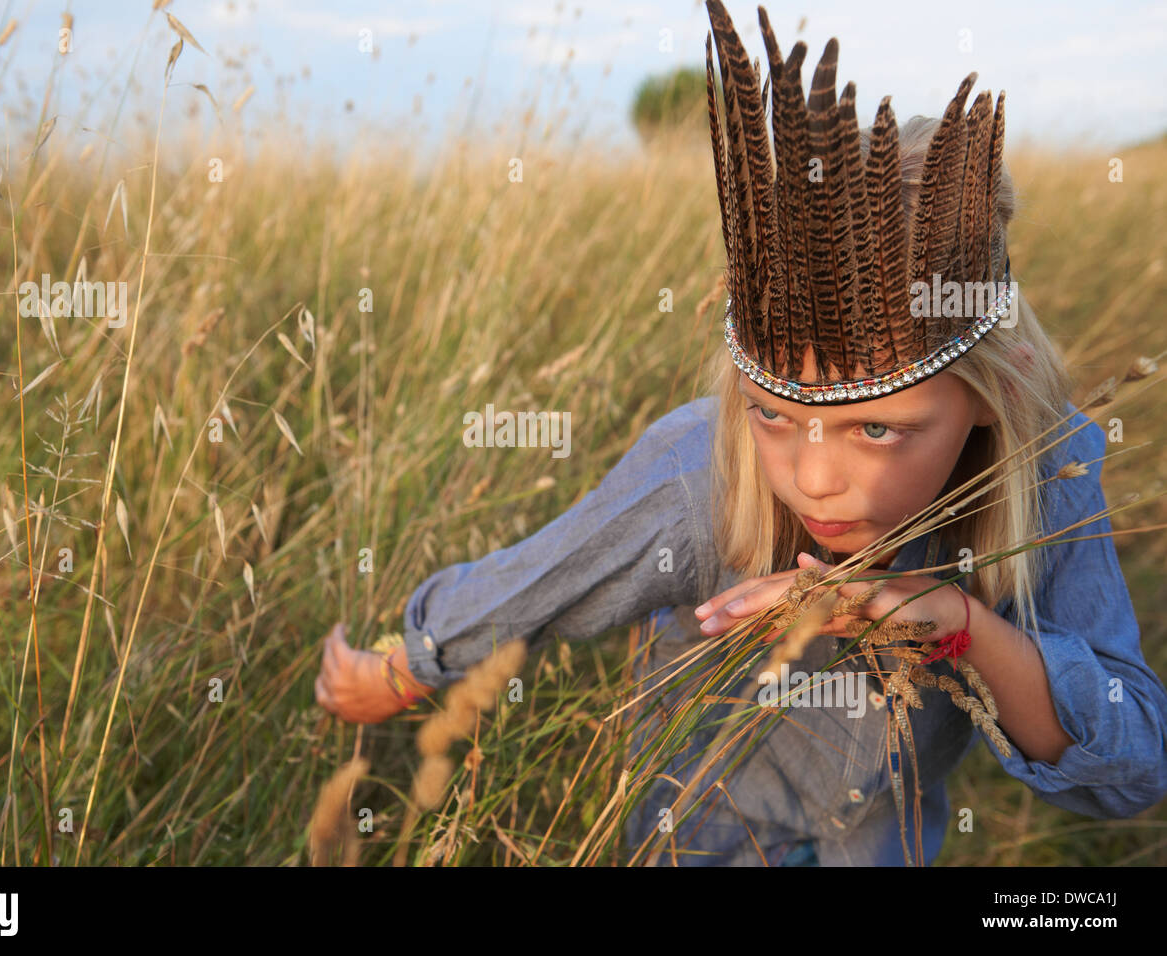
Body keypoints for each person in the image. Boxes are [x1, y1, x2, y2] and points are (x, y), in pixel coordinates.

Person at [316, 2, 1167, 865]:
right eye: (775, 414)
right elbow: (543, 576)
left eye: (877, 426)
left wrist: (956, 625)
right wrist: (405, 664)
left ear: (994, 394)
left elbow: (1132, 771)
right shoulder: (699, 471)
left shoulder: (1045, 470)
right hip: (704, 837)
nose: (813, 477)